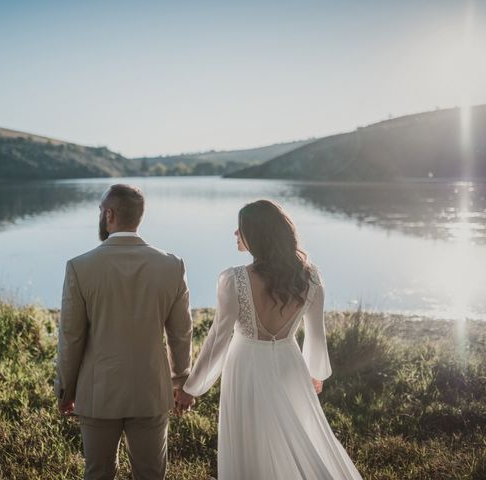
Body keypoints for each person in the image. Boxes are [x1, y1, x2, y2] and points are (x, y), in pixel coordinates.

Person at [176, 200, 362, 479]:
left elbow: (218, 338)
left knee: (251, 439)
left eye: (240, 228)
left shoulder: (234, 279)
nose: (235, 233)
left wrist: (193, 387)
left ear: (257, 234)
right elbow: (315, 331)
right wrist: (316, 372)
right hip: (290, 363)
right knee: (294, 435)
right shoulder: (310, 277)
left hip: (246, 366)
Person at [55, 184, 193, 480]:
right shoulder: (172, 265)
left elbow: (71, 337)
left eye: (100, 211)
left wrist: (66, 389)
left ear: (109, 214)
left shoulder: (79, 267)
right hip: (151, 390)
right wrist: (181, 380)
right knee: (151, 474)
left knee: (98, 473)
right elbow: (181, 333)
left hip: (98, 391)